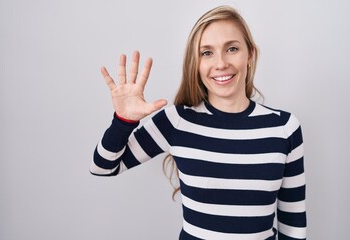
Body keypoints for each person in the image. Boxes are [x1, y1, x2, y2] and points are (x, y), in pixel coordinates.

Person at [91, 5, 307, 240]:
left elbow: (293, 223)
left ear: (250, 55)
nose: (221, 63)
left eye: (232, 49)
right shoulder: (176, 121)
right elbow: (103, 167)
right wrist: (123, 121)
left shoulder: (285, 127)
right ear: (196, 62)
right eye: (207, 53)